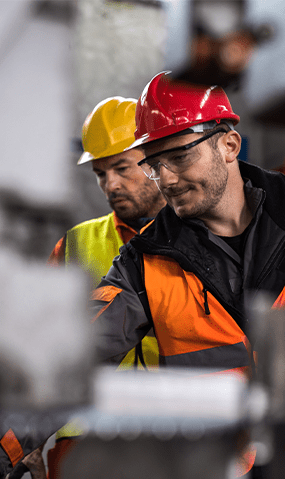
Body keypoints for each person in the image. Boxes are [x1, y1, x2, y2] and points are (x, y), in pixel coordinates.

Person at [89, 72, 285, 477]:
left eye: (179, 157)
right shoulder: (143, 261)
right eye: (155, 165)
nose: (168, 180)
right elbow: (70, 356)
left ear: (229, 144)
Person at [46, 96, 166, 478]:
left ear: (155, 161)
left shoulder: (199, 239)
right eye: (100, 173)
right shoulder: (75, 243)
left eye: (120, 167)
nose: (110, 185)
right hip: (82, 439)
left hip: (170, 432)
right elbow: (45, 348)